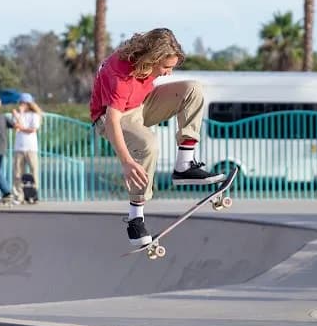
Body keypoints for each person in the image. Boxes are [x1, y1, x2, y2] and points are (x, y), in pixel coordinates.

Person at [90, 27, 225, 247]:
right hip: (110, 118)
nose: (168, 73)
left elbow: (159, 85)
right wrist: (127, 162)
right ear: (152, 59)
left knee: (193, 89)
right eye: (166, 67)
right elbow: (112, 120)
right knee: (148, 144)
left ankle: (184, 165)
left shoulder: (145, 63)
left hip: (141, 105)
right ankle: (135, 218)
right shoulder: (120, 74)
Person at [11, 93, 42, 204]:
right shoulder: (17, 114)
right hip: (19, 147)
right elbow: (16, 127)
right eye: (20, 103)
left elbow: (32, 129)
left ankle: (33, 195)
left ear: (29, 104)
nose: (21, 105)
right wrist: (19, 115)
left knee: (34, 172)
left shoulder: (35, 115)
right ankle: (19, 196)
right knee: (17, 173)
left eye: (23, 103)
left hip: (31, 147)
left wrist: (22, 127)